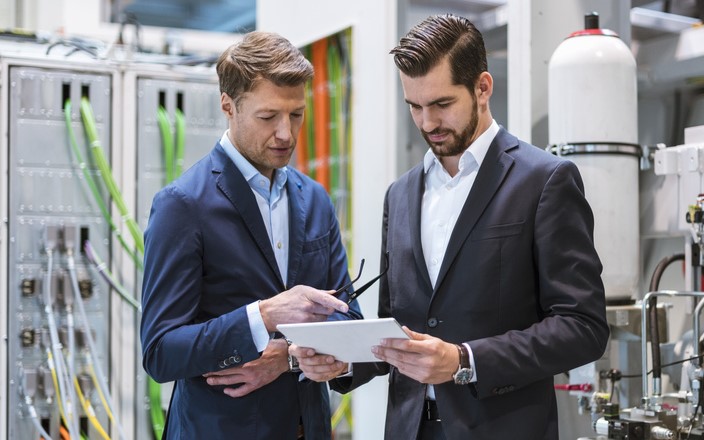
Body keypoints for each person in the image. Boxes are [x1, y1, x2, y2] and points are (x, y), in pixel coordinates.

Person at [290, 14, 609, 440]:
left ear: (482, 87)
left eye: (441, 105)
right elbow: (397, 326)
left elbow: (582, 327)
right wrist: (342, 360)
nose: (426, 123)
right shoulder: (400, 195)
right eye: (414, 107)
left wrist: (465, 360)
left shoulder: (544, 180)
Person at [140, 31, 362, 440]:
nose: (285, 134)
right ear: (228, 105)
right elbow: (160, 352)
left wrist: (291, 358)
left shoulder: (314, 200)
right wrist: (263, 317)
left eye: (296, 115)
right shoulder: (183, 206)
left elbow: (348, 317)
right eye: (268, 117)